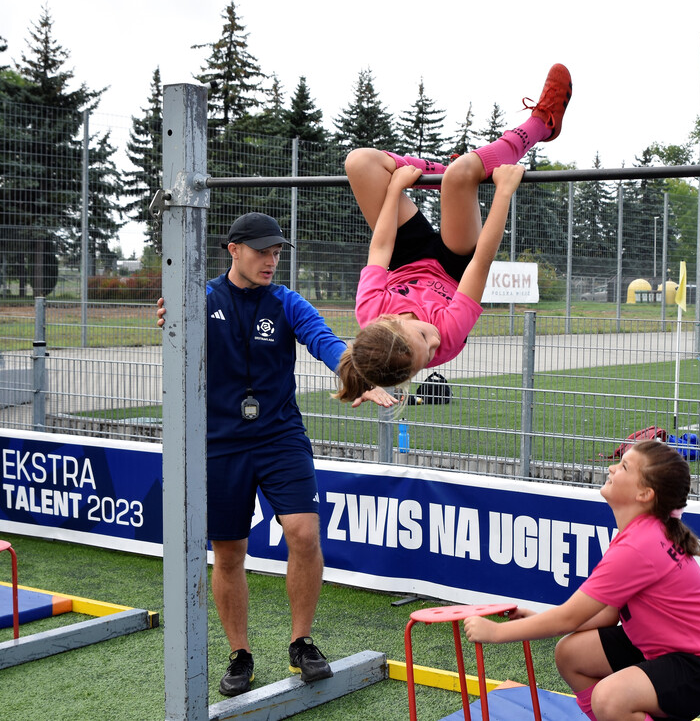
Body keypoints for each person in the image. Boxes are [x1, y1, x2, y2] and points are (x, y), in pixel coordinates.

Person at [157, 212, 395, 696]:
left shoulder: (287, 301)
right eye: (262, 251)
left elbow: (325, 341)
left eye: (277, 252)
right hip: (219, 441)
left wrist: (356, 375)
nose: (271, 260)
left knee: (303, 532)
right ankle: (240, 653)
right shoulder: (202, 298)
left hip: (279, 436)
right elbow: (175, 328)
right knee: (229, 553)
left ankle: (302, 642)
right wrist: (169, 319)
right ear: (233, 250)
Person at [332, 63, 572, 400]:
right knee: (462, 173)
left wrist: (394, 189)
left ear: (390, 322)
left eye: (423, 339)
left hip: (405, 258)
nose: (434, 346)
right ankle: (541, 124)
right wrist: (503, 192)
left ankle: (460, 174)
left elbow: (382, 246)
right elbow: (481, 263)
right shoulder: (448, 335)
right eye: (428, 357)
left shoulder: (369, 312)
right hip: (454, 266)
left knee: (360, 162)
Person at [463, 440, 700, 721]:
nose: (611, 468)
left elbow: (569, 618)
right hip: (668, 648)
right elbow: (608, 614)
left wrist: (495, 634)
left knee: (610, 698)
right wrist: (537, 618)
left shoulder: (639, 545)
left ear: (645, 494)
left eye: (623, 466)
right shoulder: (641, 533)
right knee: (571, 654)